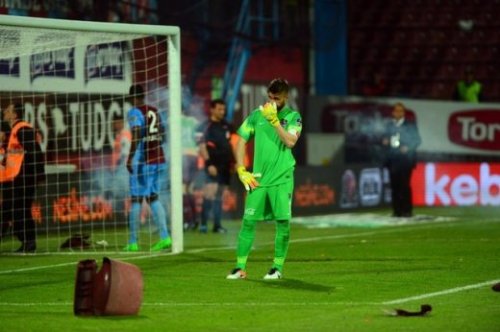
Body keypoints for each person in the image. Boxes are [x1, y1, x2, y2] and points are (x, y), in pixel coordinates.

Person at [226, 78, 302, 280]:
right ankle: (239, 267)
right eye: (269, 97)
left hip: (282, 178)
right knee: (248, 222)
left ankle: (276, 267)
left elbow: (290, 142)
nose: (271, 101)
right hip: (258, 179)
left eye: (276, 98)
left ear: (285, 97)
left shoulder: (294, 117)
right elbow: (240, 141)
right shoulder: (256, 115)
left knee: (282, 223)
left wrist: (275, 122)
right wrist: (241, 169)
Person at [124, 84, 171, 252]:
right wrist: (155, 144)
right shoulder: (155, 110)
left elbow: (136, 131)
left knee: (136, 199)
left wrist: (130, 157)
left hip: (144, 162)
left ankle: (133, 242)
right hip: (159, 159)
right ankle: (165, 237)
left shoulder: (134, 112)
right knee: (153, 197)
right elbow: (164, 132)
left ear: (132, 97)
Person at [0, 103, 45, 252]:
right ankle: (27, 241)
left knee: (19, 210)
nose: (5, 111)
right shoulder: (15, 130)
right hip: (16, 177)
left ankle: (29, 242)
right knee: (14, 210)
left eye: (8, 110)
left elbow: (35, 151)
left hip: (23, 178)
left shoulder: (22, 129)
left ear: (15, 114)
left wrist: (37, 174)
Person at [196, 99, 234, 234]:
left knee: (219, 196)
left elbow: (232, 144)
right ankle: (203, 225)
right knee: (209, 194)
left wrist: (234, 162)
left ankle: (217, 225)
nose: (222, 112)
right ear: (212, 109)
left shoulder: (226, 126)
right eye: (219, 109)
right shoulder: (204, 126)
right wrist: (209, 164)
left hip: (225, 166)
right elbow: (201, 146)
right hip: (212, 165)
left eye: (223, 109)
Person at [382, 102, 421, 218]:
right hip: (392, 159)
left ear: (403, 113)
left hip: (405, 160)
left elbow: (417, 140)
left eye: (401, 111)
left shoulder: (410, 125)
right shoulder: (389, 126)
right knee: (394, 186)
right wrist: (384, 141)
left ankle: (407, 210)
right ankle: (396, 210)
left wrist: (408, 148)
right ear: (393, 112)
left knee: (404, 185)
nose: (398, 113)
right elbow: (382, 138)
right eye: (396, 110)